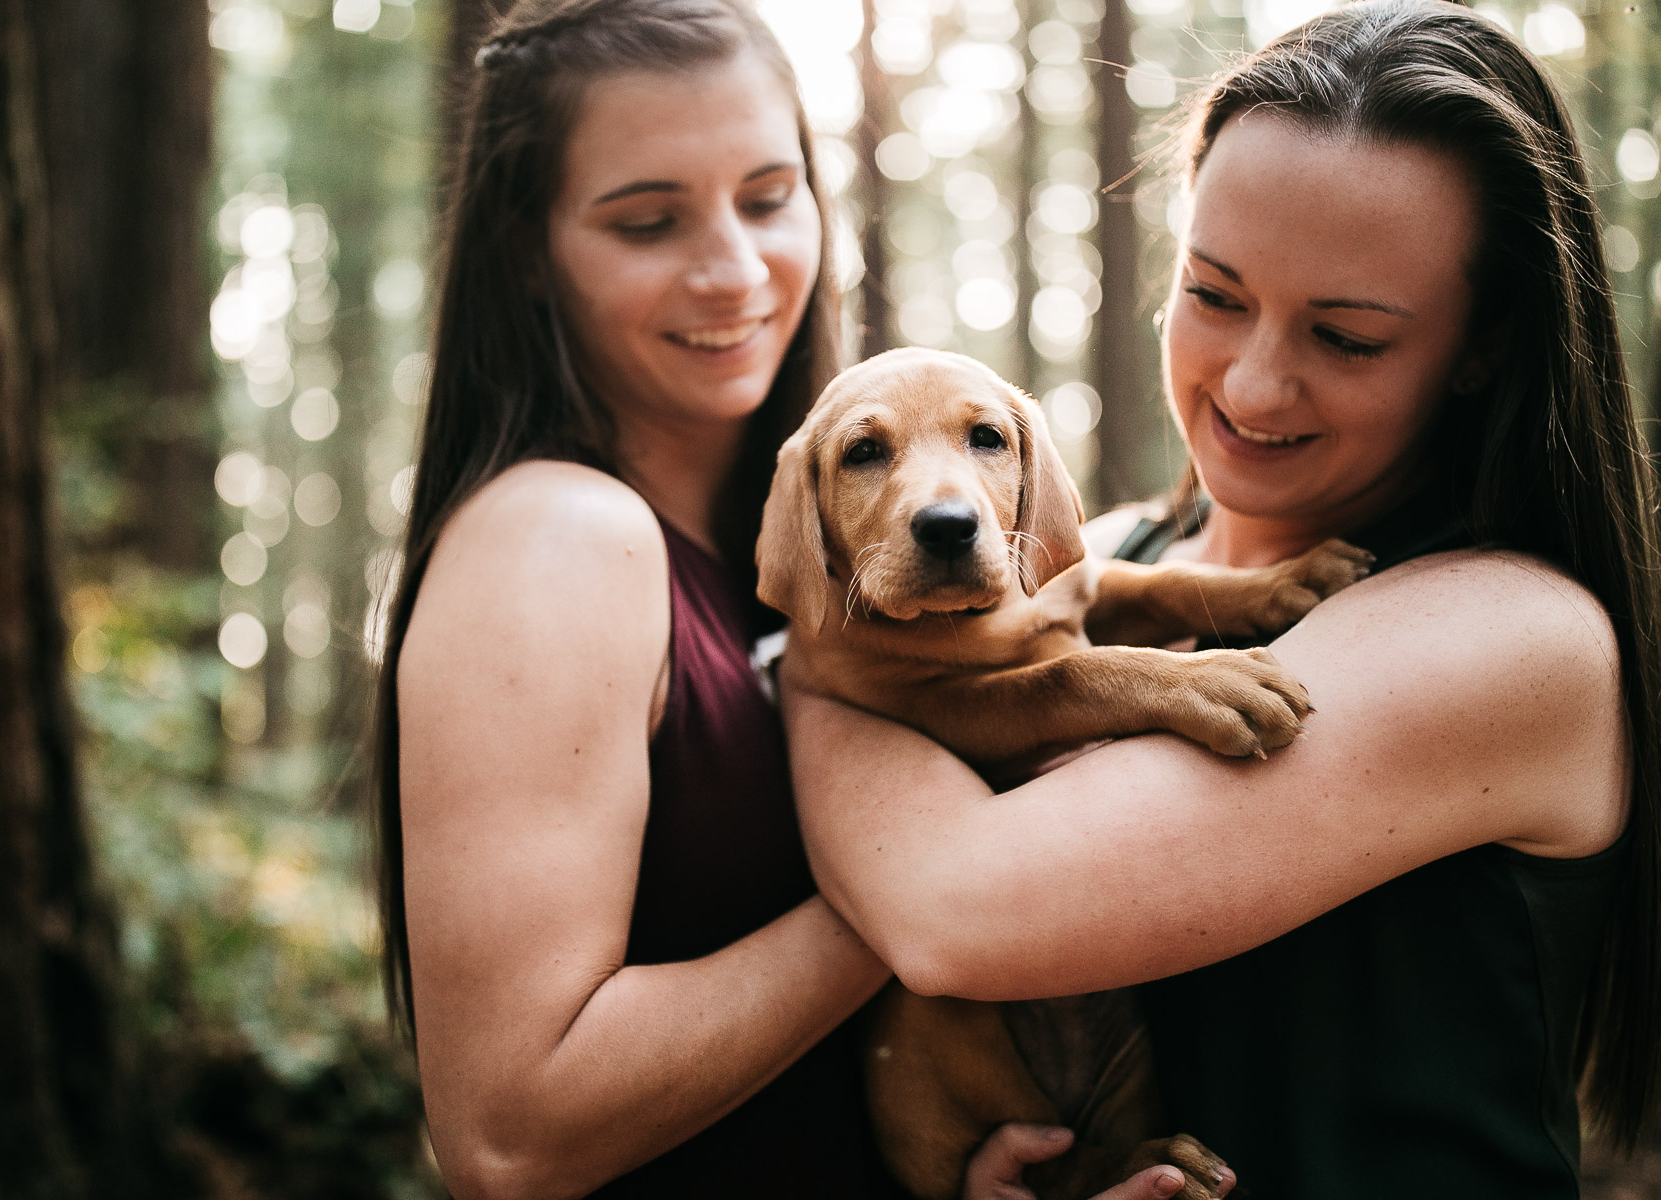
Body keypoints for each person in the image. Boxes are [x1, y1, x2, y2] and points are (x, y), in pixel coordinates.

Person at [789, 2, 1661, 1197]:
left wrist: (811, 663)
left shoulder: (1511, 636)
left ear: (1483, 346)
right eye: (1216, 293)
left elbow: (952, 911)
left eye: (1348, 335)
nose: (1256, 382)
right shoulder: (1115, 555)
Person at [368, 3, 1211, 1198]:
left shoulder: (775, 549)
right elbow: (513, 1130)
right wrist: (920, 887)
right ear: (525, 249)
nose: (732, 267)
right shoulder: (559, 537)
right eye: (649, 220)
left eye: (768, 198)